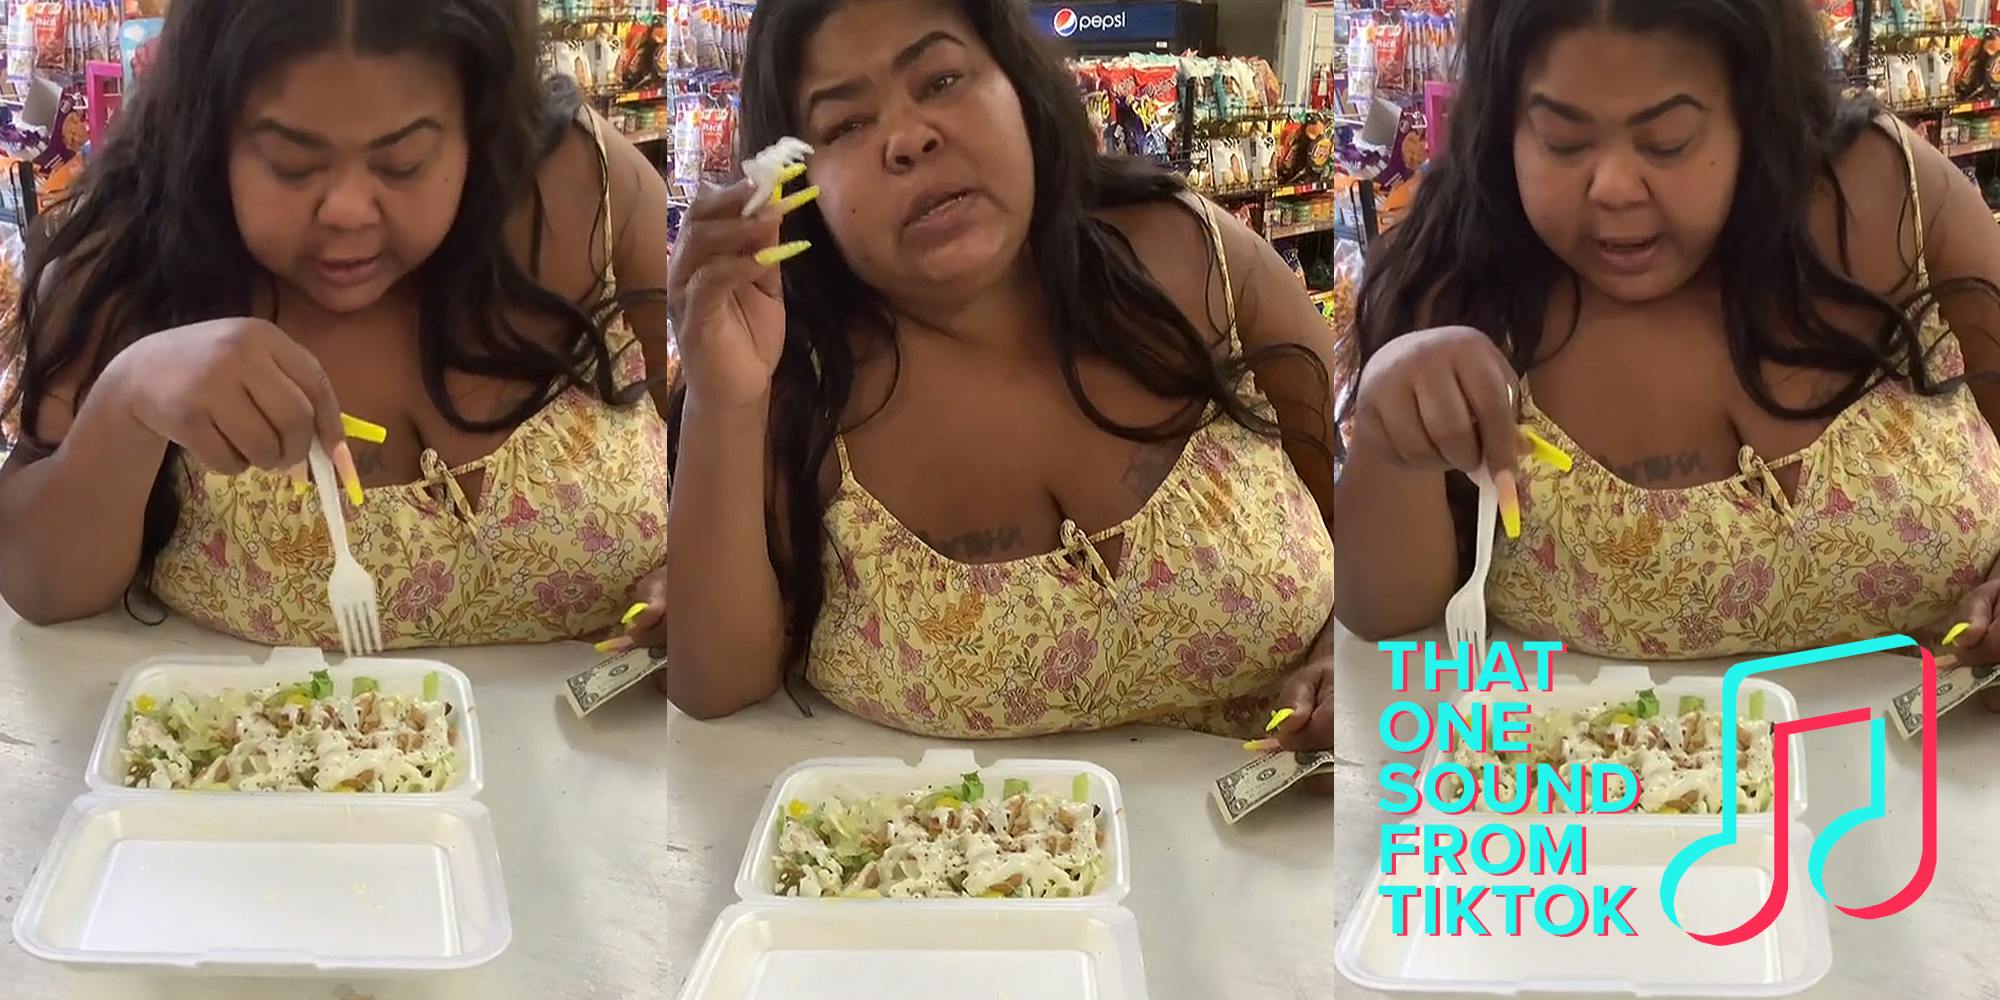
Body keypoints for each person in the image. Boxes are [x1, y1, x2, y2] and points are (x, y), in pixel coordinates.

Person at [664, 0, 1337, 762]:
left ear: (1017, 83)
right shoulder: (797, 381)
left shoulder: (1205, 260)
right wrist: (726, 396)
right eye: (846, 125)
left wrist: (1348, 663)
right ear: (798, 184)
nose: (908, 138)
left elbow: (1370, 540)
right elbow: (713, 688)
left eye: (943, 78)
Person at [1334, 0, 2000, 709]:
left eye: (1670, 139)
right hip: (1616, 808)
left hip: (1942, 798)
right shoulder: (1465, 286)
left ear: (1754, 108)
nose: (1614, 188)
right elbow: (1386, 620)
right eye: (1562, 140)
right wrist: (1389, 433)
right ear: (1503, 127)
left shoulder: (1891, 194)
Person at [0, 0, 674, 653]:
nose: (348, 212)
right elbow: (39, 584)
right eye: (292, 164)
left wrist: (686, 580)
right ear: (209, 130)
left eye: (403, 161)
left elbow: (675, 461)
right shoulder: (137, 253)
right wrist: (130, 400)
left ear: (478, 121)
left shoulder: (591, 192)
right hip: (246, 764)